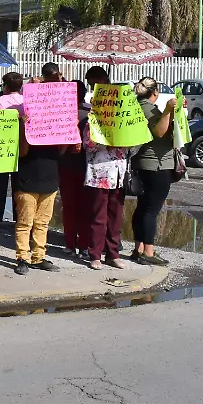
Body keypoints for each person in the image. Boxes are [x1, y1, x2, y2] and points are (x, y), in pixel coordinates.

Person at [81, 66, 130, 270]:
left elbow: (133, 146)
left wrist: (125, 140)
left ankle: (113, 253)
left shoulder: (124, 121)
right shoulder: (91, 121)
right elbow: (88, 145)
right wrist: (105, 141)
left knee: (115, 216)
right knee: (98, 216)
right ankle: (95, 255)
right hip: (99, 173)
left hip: (118, 173)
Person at [130, 77, 174, 267]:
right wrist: (169, 111)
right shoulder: (148, 108)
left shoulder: (136, 106)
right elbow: (160, 132)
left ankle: (138, 248)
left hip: (143, 163)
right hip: (156, 164)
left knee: (142, 208)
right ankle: (148, 251)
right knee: (151, 210)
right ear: (154, 92)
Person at [13, 109, 64, 275]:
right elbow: (22, 151)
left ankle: (38, 257)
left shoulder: (55, 124)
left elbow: (61, 151)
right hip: (27, 180)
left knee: (42, 223)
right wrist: (24, 127)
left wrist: (70, 132)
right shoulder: (24, 123)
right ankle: (22, 258)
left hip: (50, 180)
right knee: (24, 222)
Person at [59, 80, 90, 259]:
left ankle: (70, 244)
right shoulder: (91, 114)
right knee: (84, 207)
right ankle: (83, 246)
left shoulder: (61, 113)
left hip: (68, 165)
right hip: (85, 166)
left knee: (69, 207)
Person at [0, 72, 25, 225]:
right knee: (19, 184)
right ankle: (19, 216)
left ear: (6, 86)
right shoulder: (26, 101)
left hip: (1, 147)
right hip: (22, 148)